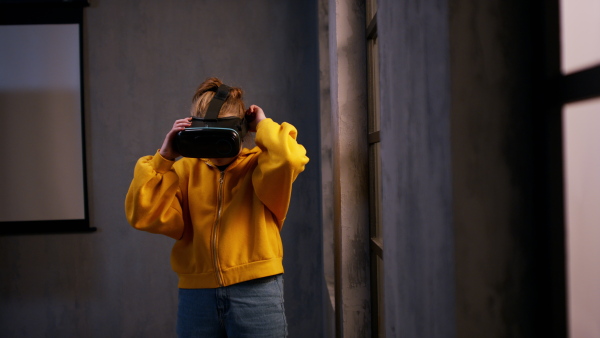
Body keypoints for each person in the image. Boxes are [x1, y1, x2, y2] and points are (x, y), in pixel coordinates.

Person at [124, 77, 309, 337]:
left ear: (242, 130)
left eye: (223, 135)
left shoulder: (261, 165)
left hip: (256, 290)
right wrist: (164, 158)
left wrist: (263, 124)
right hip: (197, 295)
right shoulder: (183, 171)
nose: (215, 147)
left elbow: (290, 158)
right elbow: (141, 214)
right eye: (206, 136)